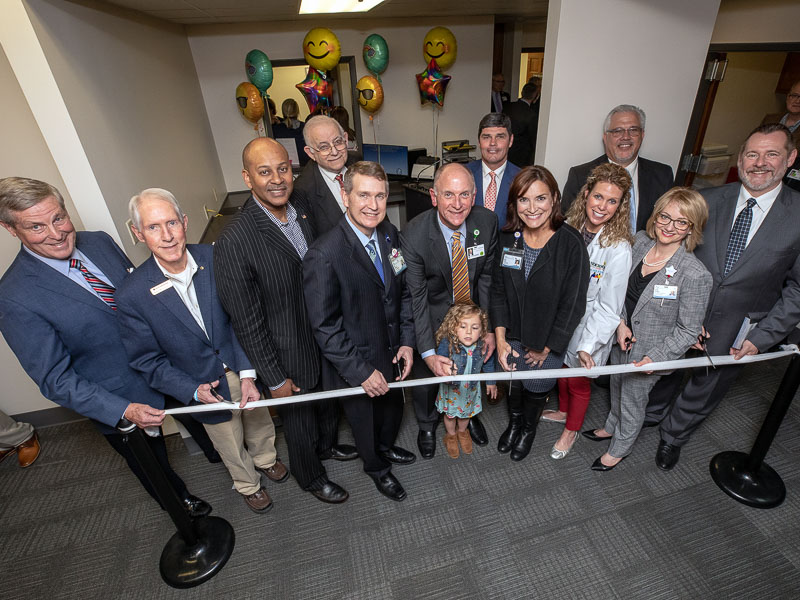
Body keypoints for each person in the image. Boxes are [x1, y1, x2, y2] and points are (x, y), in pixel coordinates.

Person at [0, 177, 210, 517]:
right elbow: (55, 379)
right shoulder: (14, 297)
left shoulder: (98, 242)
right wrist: (123, 410)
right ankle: (180, 502)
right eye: (36, 227)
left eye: (58, 218)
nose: (55, 233)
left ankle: (219, 457)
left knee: (205, 420)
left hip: (167, 364)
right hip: (120, 394)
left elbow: (143, 294)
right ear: (11, 229)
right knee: (152, 464)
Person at [116, 188, 288, 514]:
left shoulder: (217, 257)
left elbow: (244, 318)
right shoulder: (132, 294)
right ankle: (248, 485)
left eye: (171, 223)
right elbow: (146, 360)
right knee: (228, 441)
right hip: (200, 385)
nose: (166, 236)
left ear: (184, 222)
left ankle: (266, 459)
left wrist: (250, 373)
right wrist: (191, 390)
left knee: (259, 422)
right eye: (153, 227)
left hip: (242, 365)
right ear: (138, 234)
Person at [646, 123, 800, 470]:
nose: (759, 163)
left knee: (708, 384)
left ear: (790, 158)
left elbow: (798, 290)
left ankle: (674, 435)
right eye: (752, 154)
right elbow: (673, 252)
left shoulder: (798, 217)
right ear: (740, 158)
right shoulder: (708, 200)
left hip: (741, 326)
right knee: (664, 370)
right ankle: (651, 415)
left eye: (771, 154)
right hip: (682, 313)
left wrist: (763, 337)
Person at [214, 138, 356, 504]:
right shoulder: (235, 240)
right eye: (264, 172)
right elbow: (246, 321)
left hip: (324, 336)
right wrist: (273, 378)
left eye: (282, 169)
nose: (277, 179)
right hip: (287, 350)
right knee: (299, 421)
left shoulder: (302, 209)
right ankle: (310, 475)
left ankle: (326, 448)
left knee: (326, 403)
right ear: (247, 178)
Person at [304, 161, 416, 502]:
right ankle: (376, 468)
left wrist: (408, 343)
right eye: (364, 195)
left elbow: (403, 292)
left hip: (393, 353)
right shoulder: (324, 254)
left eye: (380, 196)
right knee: (364, 424)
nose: (373, 204)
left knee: (392, 412)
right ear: (345, 195)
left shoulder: (389, 234)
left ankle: (385, 448)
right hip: (357, 365)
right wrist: (361, 372)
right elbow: (325, 327)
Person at [584, 188, 712, 471]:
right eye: (665, 217)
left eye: (681, 222)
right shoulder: (639, 242)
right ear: (655, 216)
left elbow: (688, 330)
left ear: (692, 228)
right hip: (620, 338)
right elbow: (614, 288)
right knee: (616, 388)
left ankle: (620, 448)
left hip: (650, 353)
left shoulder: (695, 274)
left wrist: (656, 357)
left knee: (632, 400)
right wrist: (619, 323)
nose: (669, 226)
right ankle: (610, 426)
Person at [491, 166, 589, 461]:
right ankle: (514, 423)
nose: (532, 208)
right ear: (514, 204)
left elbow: (574, 304)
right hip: (512, 336)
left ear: (555, 199)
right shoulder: (509, 238)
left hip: (547, 340)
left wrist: (547, 347)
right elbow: (497, 290)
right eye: (523, 200)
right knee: (515, 384)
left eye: (540, 199)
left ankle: (528, 429)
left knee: (536, 388)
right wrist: (500, 338)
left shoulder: (571, 243)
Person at [400, 163, 499, 458]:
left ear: (474, 195)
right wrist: (429, 354)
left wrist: (489, 328)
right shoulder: (414, 235)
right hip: (434, 316)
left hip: (473, 318)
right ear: (434, 196)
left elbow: (486, 279)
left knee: (472, 368)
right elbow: (416, 297)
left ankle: (466, 419)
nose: (457, 204)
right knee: (426, 377)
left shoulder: (487, 222)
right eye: (448, 195)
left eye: (464, 195)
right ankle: (428, 425)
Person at [542, 163, 634, 459]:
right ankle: (563, 411)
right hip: (562, 317)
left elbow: (610, 306)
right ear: (586, 194)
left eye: (612, 201)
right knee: (561, 371)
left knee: (578, 380)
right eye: (598, 197)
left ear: (620, 206)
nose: (602, 206)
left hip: (590, 325)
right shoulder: (569, 225)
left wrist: (588, 345)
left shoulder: (618, 248)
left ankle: (572, 430)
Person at [561, 105, 674, 232]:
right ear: (605, 137)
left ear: (642, 135)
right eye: (617, 131)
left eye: (633, 130)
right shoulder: (580, 175)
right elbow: (566, 227)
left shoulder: (663, 175)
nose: (626, 136)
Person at [434, 304, 497, 459]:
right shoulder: (447, 343)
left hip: (470, 390)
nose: (469, 332)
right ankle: (451, 435)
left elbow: (488, 363)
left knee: (465, 415)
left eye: (475, 327)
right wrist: (446, 369)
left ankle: (462, 432)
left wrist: (491, 382)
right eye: (463, 326)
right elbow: (439, 361)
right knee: (450, 415)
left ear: (482, 330)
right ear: (453, 327)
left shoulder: (482, 345)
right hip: (452, 390)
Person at [293, 115, 352, 235]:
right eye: (324, 147)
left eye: (338, 142)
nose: (335, 152)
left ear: (345, 139)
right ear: (311, 153)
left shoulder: (360, 163)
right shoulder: (302, 190)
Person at [466, 113, 522, 228]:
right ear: (479, 141)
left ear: (510, 141)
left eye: (500, 137)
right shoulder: (464, 174)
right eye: (486, 137)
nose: (492, 143)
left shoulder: (522, 179)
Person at [761, 80, 800, 192]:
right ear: (788, 97)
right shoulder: (770, 119)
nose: (797, 101)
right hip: (760, 174)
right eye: (794, 95)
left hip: (788, 184)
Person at [504, 83, 539, 168]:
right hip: (522, 156)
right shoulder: (531, 114)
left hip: (505, 149)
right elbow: (533, 138)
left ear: (522, 92)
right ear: (535, 96)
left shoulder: (508, 106)